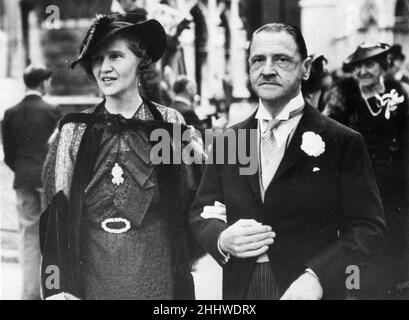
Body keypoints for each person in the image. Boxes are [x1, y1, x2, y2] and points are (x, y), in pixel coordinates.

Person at [189, 23, 386, 300]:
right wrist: (221, 238)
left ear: (305, 68)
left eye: (281, 59)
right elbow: (202, 211)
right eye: (258, 60)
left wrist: (319, 277)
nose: (267, 69)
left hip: (309, 290)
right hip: (242, 290)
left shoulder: (343, 141)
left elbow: (368, 229)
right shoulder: (229, 140)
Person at [40, 14, 202, 300]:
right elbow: (55, 215)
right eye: (98, 59)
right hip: (91, 276)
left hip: (156, 274)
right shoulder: (73, 130)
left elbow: (195, 197)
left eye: (116, 56)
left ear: (140, 61)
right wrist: (55, 288)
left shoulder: (169, 123)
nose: (105, 68)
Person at [323, 43, 409, 299]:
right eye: (358, 66)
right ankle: (362, 290)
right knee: (364, 240)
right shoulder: (343, 94)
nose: (362, 71)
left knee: (397, 237)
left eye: (369, 65)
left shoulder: (399, 92)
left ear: (383, 65)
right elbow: (327, 133)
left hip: (397, 185)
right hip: (358, 181)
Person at [1, 64, 61, 300]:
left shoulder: (11, 112)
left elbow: (9, 154)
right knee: (51, 237)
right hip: (47, 180)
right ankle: (52, 292)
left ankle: (29, 294)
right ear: (44, 82)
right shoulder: (53, 111)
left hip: (23, 180)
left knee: (27, 235)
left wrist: (22, 171)